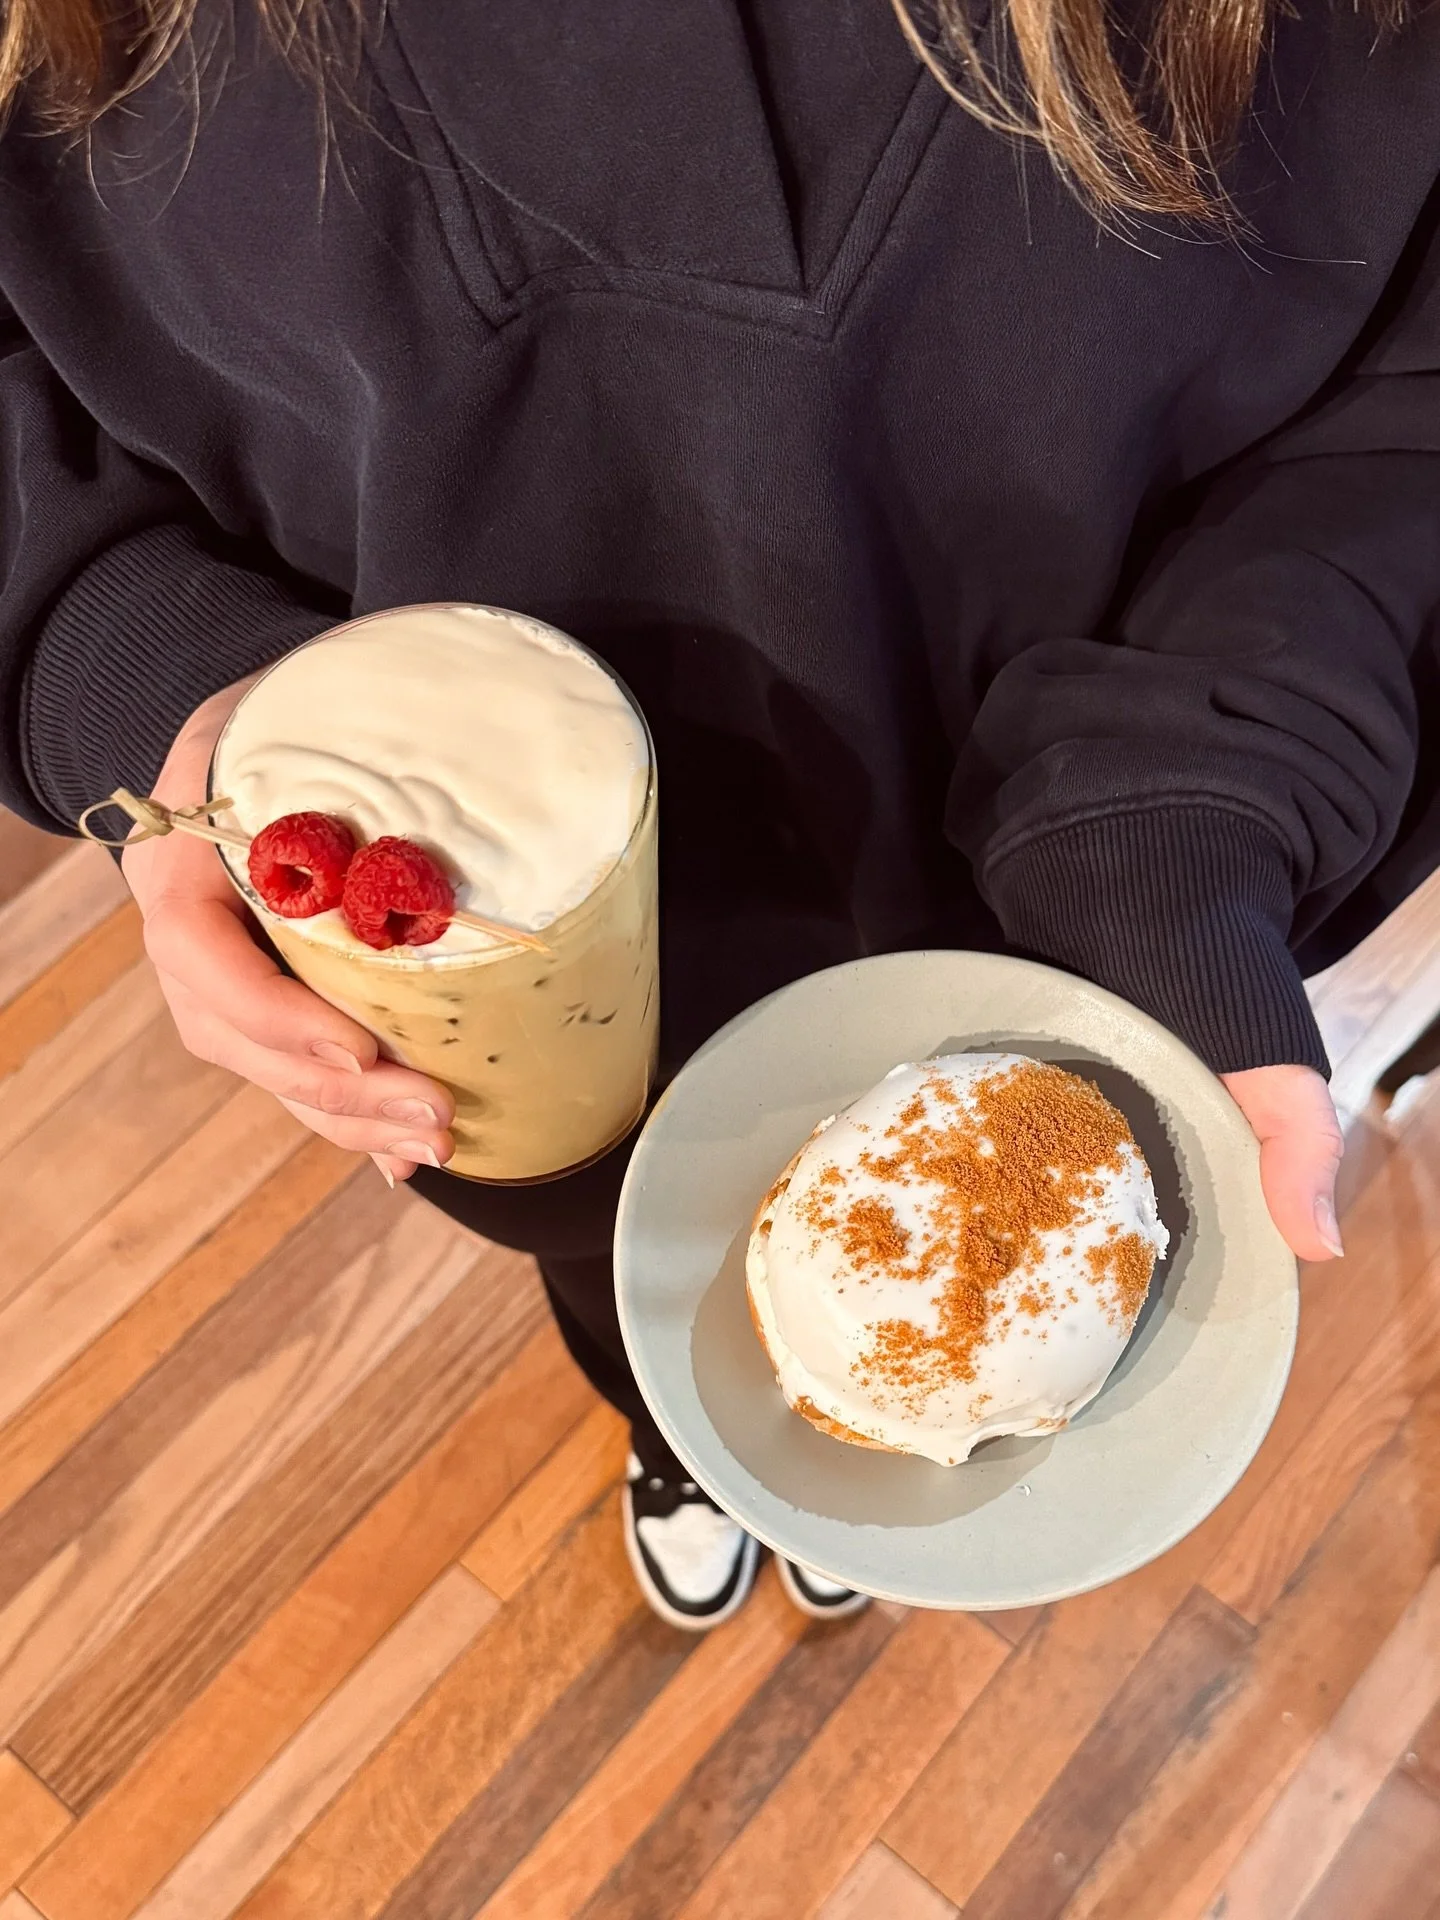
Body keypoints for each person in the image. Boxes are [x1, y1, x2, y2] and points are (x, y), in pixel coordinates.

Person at [1, 0, 1435, 1630]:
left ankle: (822, 1413)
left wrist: (1199, 790)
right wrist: (136, 663)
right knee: (617, 1258)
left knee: (807, 1308)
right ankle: (686, 1429)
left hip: (1053, 920)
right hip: (470, 948)